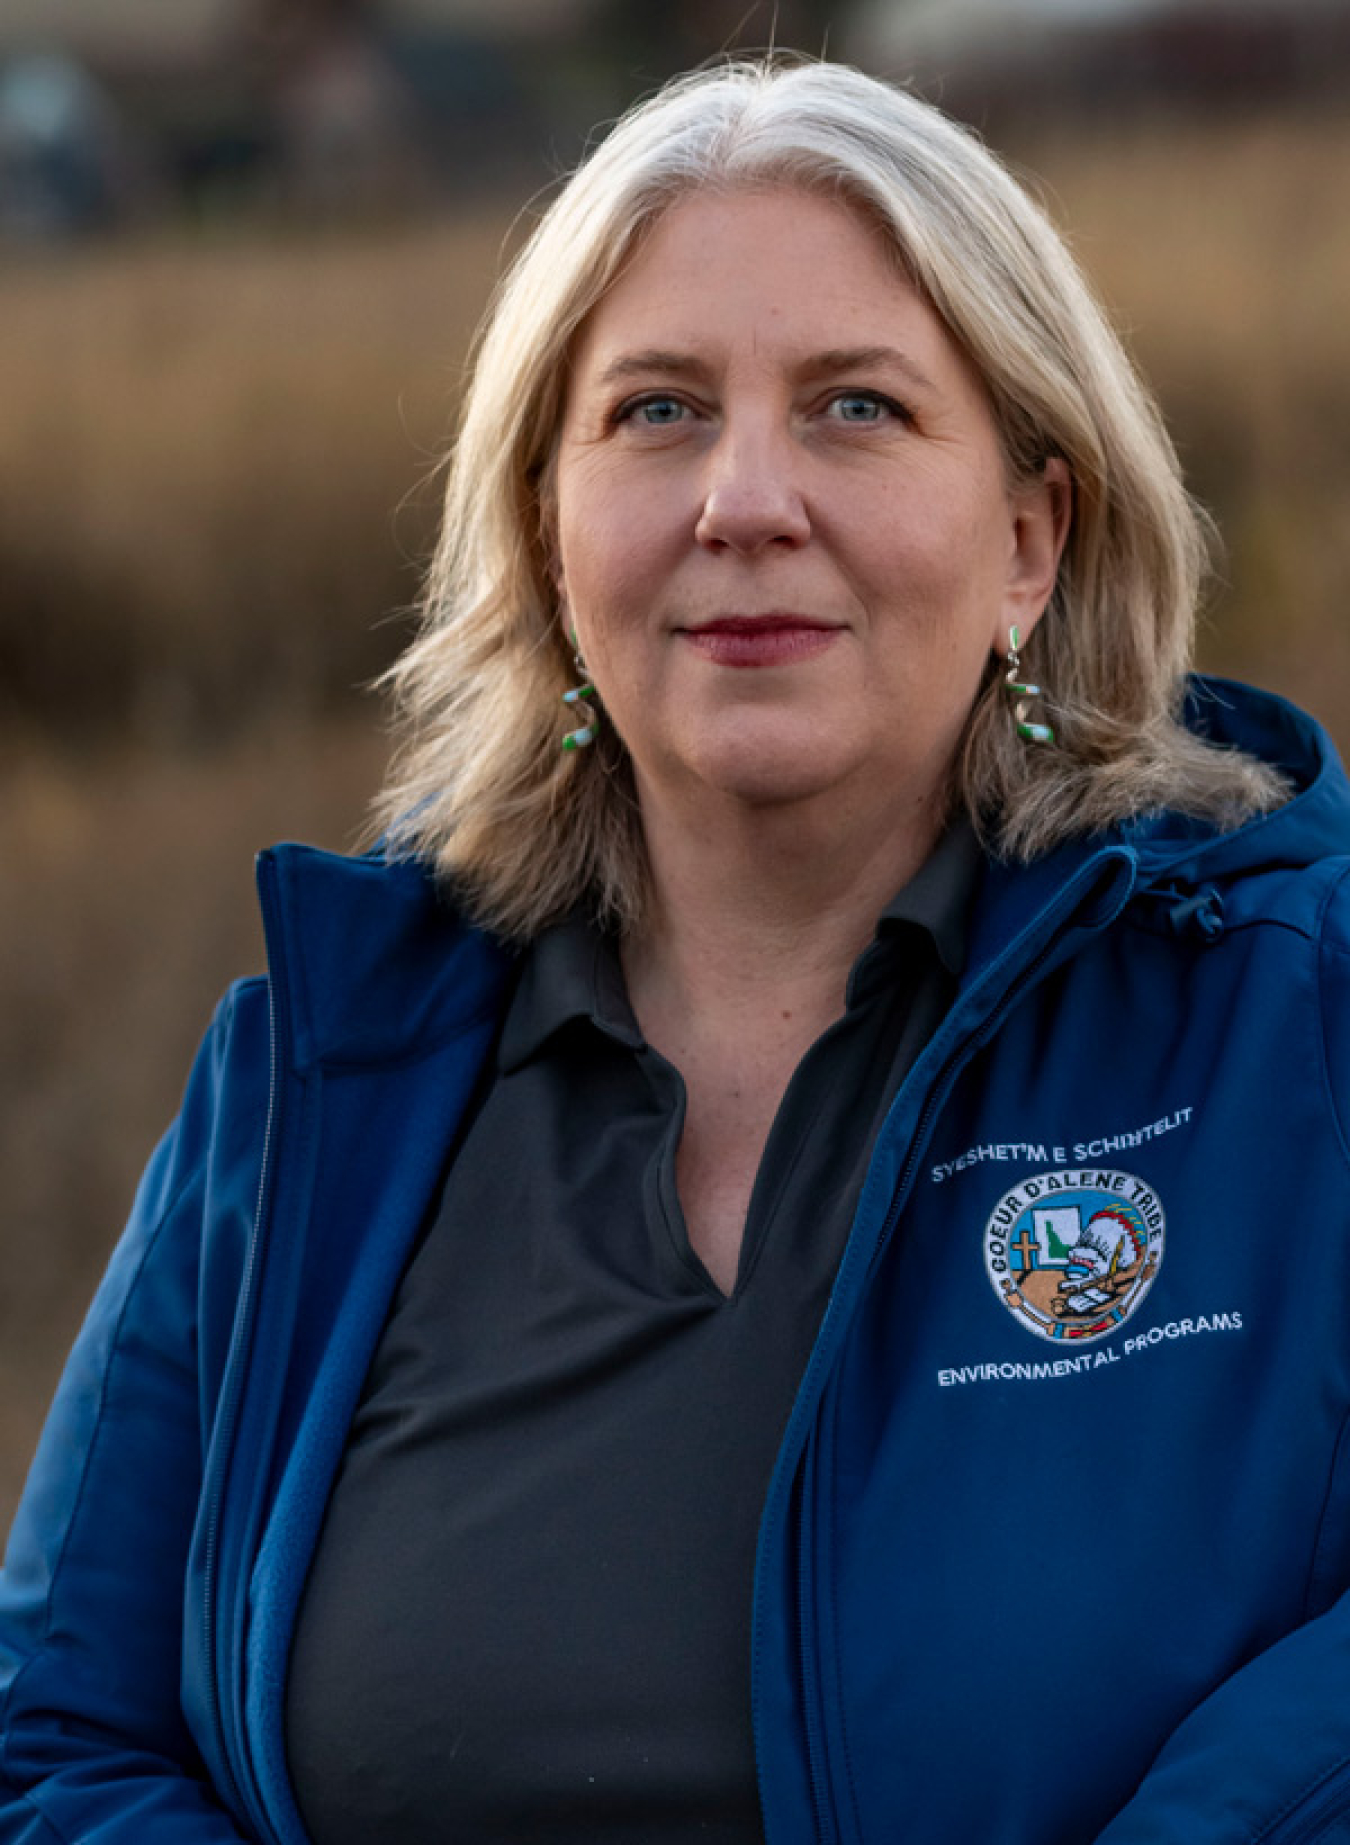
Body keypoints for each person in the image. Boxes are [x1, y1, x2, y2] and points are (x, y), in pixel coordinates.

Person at [1, 53, 1348, 1845]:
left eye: (856, 408)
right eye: (655, 413)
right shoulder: (312, 1090)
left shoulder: (1291, 1014)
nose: (744, 501)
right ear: (552, 546)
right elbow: (56, 1742)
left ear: (1029, 538)